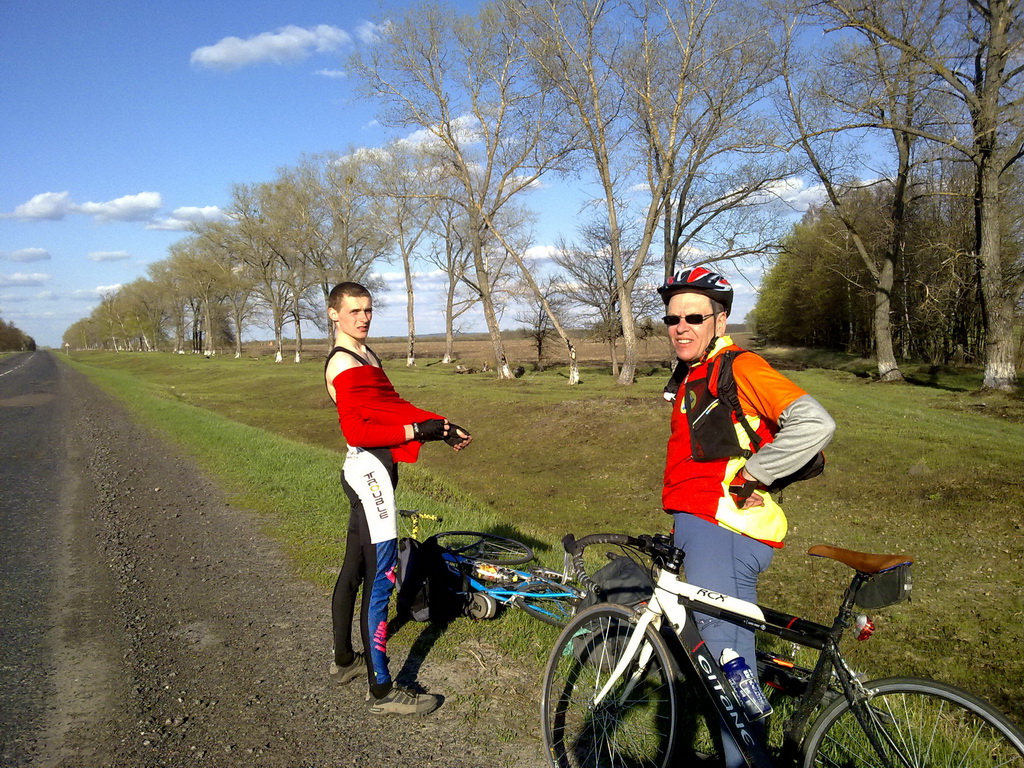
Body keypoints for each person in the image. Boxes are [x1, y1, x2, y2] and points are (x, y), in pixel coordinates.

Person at [658, 266, 835, 766]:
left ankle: (742, 762)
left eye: (694, 317)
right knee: (734, 662)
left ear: (720, 319)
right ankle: (751, 757)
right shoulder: (695, 372)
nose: (681, 327)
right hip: (712, 526)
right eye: (672, 319)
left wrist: (757, 474)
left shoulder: (737, 366)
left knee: (721, 659)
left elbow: (815, 423)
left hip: (721, 528)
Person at [324, 281, 472, 716]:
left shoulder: (366, 355)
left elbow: (392, 406)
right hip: (369, 474)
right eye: (354, 311)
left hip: (373, 470)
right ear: (334, 314)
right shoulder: (343, 363)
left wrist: (441, 427)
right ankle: (383, 689)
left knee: (355, 568)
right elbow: (358, 431)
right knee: (381, 576)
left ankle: (344, 660)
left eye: (368, 310)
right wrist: (417, 431)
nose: (363, 318)